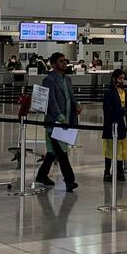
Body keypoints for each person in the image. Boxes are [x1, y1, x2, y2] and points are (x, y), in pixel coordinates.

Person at [33, 52, 78, 191]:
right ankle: (69, 180)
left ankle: (41, 176)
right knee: (62, 153)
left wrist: (77, 105)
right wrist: (60, 117)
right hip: (55, 122)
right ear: (53, 65)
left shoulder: (67, 79)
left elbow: (71, 96)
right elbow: (51, 101)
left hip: (67, 120)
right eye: (61, 61)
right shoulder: (49, 80)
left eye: (65, 61)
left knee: (52, 152)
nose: (64, 63)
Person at [101, 68, 127, 182]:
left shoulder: (125, 93)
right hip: (111, 125)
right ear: (114, 78)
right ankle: (106, 172)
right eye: (120, 78)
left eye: (123, 78)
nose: (122, 81)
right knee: (110, 150)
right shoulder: (108, 93)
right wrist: (122, 111)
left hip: (123, 125)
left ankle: (120, 171)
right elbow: (108, 110)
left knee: (121, 150)